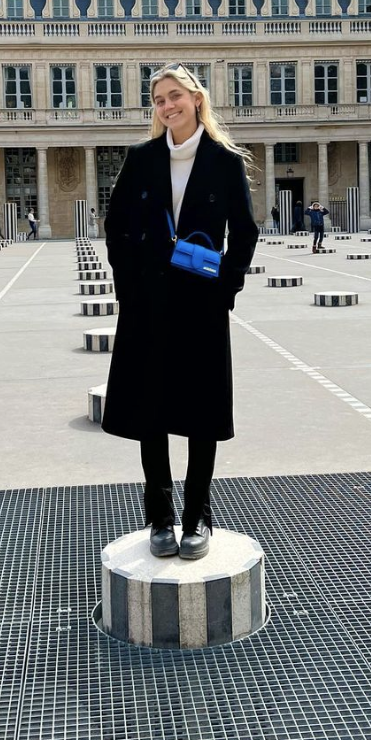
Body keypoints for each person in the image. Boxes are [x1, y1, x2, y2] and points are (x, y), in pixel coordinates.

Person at [104, 63, 258, 561]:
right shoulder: (142, 158)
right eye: (158, 100)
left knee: (200, 412)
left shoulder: (224, 160)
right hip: (148, 302)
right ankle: (159, 515)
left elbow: (246, 232)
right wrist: (128, 285)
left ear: (196, 100)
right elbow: (115, 225)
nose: (167, 106)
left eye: (175, 96)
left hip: (201, 303)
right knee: (151, 410)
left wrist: (225, 289)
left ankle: (197, 516)